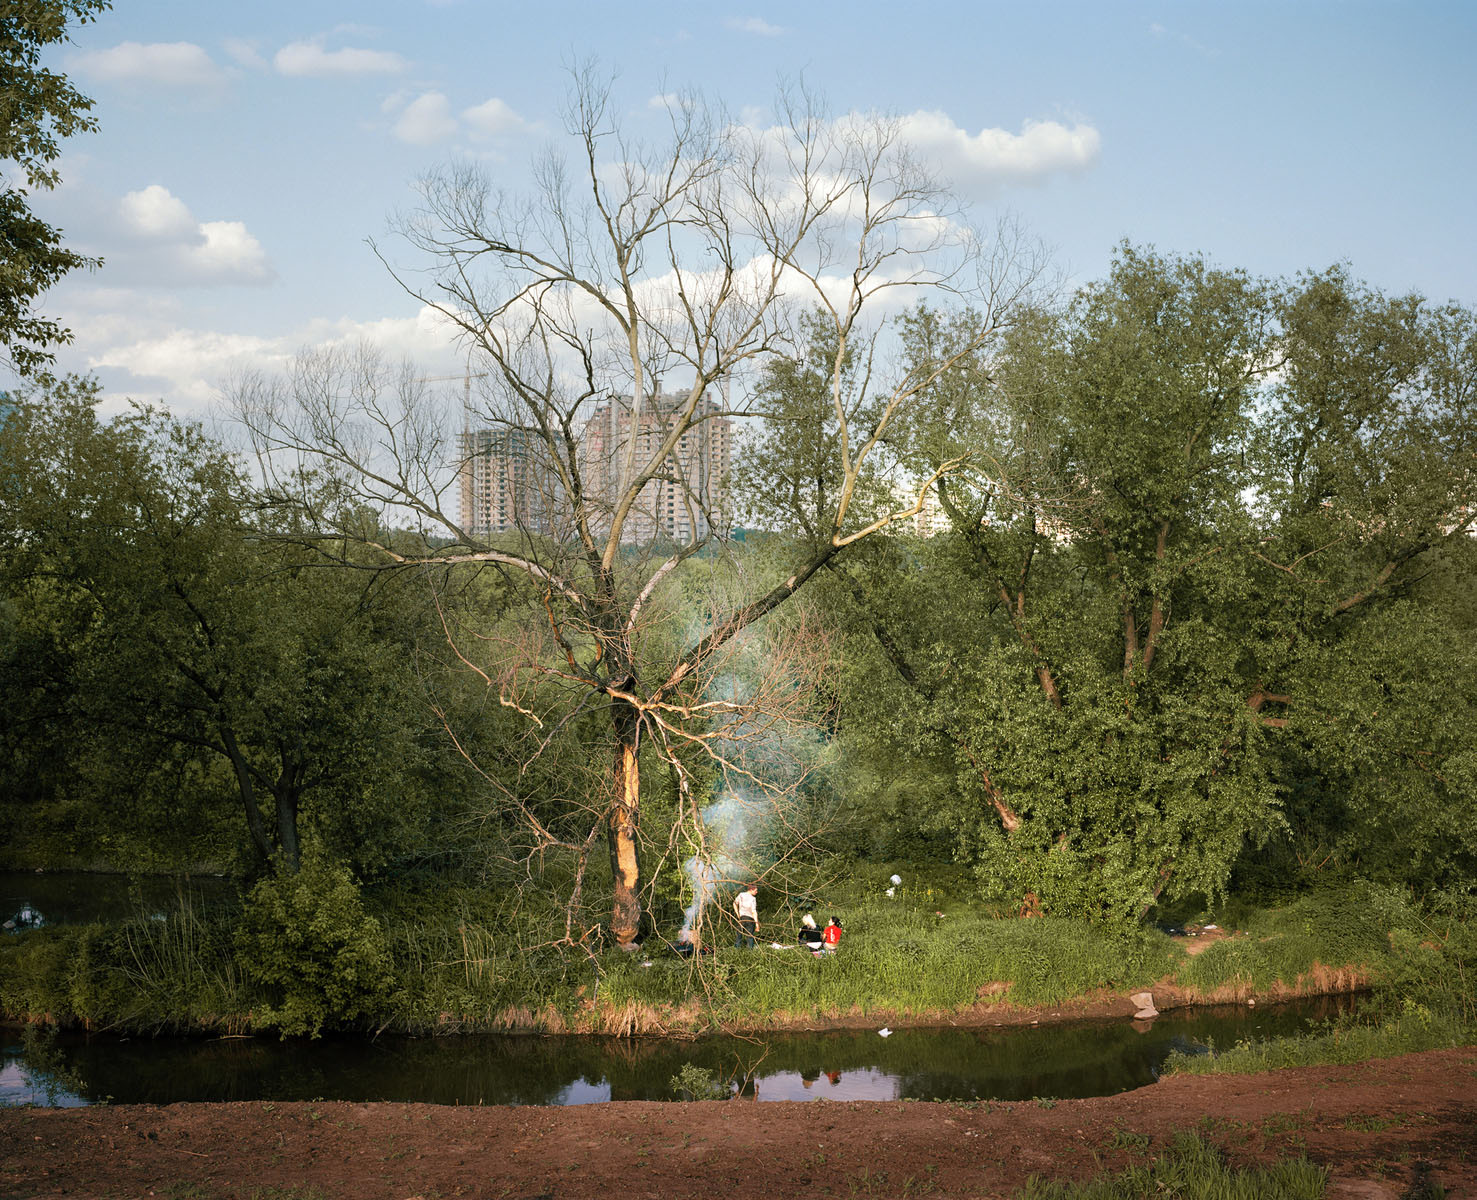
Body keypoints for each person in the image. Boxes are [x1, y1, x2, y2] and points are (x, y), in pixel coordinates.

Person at [733, 882, 758, 948]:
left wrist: (738, 915)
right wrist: (757, 924)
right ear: (751, 889)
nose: (756, 892)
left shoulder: (741, 895)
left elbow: (734, 903)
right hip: (750, 919)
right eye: (755, 890)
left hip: (742, 918)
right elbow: (753, 911)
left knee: (739, 936)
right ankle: (750, 951)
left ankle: (736, 950)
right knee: (750, 937)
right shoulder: (753, 899)